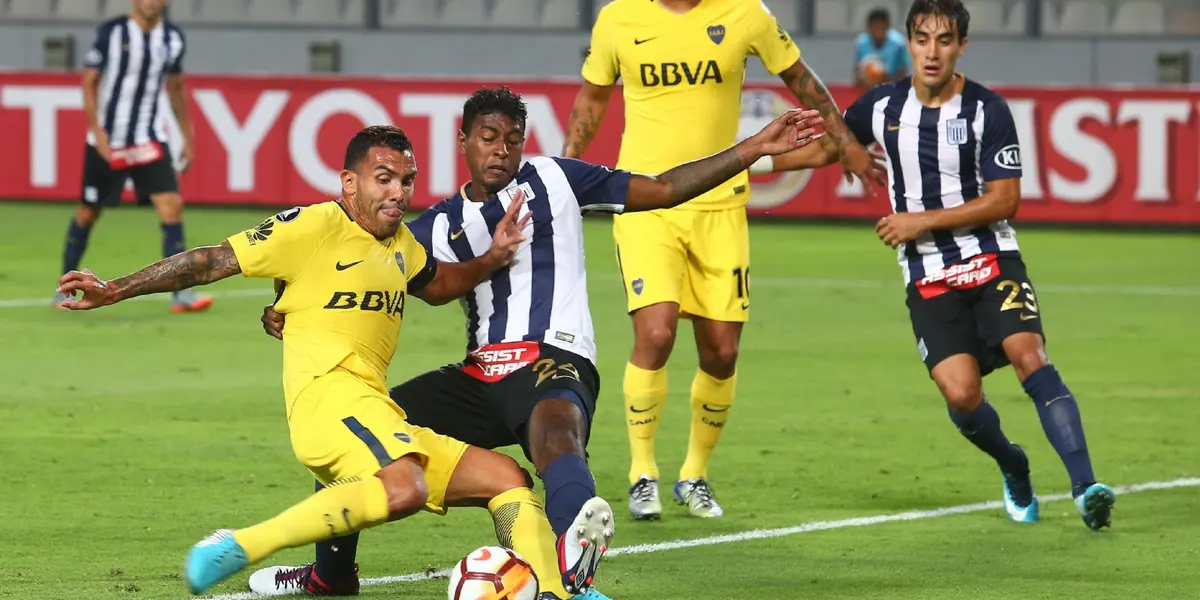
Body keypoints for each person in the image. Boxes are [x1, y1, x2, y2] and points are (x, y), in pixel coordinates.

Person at [245, 88, 824, 599]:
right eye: (489, 137)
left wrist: (755, 148)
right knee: (362, 425)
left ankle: (576, 559)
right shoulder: (433, 226)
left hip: (554, 358)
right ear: (464, 140)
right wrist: (284, 307)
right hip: (478, 374)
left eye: (512, 139)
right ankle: (330, 575)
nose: (501, 149)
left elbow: (667, 188)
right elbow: (353, 268)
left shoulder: (558, 179)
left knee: (555, 435)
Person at [56, 125, 625, 598]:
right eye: (383, 180)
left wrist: (492, 256)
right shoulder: (312, 225)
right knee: (402, 486)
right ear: (349, 182)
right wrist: (115, 288)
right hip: (328, 399)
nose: (397, 194)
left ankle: (558, 592)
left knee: (506, 479)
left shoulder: (402, 246)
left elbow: (441, 282)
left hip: (371, 407)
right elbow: (208, 262)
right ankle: (241, 543)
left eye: (406, 182)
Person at [769, 0, 1116, 530]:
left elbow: (1005, 201)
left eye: (945, 41)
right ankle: (1013, 463)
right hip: (928, 275)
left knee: (1030, 355)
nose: (933, 52)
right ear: (908, 42)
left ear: (962, 46)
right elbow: (825, 151)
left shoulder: (987, 109)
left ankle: (1085, 487)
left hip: (991, 259)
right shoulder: (880, 107)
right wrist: (745, 163)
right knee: (961, 393)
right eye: (924, 39)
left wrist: (919, 221)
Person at [562, 0, 883, 521]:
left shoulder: (745, 13)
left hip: (721, 204)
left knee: (722, 352)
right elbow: (592, 97)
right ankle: (642, 473)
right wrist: (567, 170)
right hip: (645, 200)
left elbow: (802, 78)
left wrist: (844, 141)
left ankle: (695, 475)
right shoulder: (619, 17)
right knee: (657, 333)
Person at [53, 0, 207, 313]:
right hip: (110, 139)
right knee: (88, 213)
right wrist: (98, 131)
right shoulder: (112, 32)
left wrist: (187, 139)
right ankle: (63, 289)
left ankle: (180, 294)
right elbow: (89, 81)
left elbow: (176, 87)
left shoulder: (172, 38)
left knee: (171, 207)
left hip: (149, 139)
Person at [854, 7, 912, 89]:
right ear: (868, 27)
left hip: (892, 88)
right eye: (875, 27)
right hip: (868, 89)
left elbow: (903, 73)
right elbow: (857, 71)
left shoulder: (898, 44)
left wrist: (883, 80)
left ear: (887, 27)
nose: (878, 32)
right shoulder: (861, 43)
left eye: (881, 28)